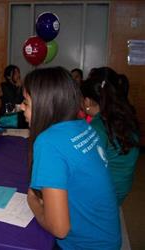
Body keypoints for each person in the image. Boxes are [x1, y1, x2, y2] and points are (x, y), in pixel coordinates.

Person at [21, 67, 121, 249]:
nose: (21, 107)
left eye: (26, 103)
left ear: (45, 104)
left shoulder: (48, 142)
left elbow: (60, 229)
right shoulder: (82, 126)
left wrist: (33, 202)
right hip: (107, 238)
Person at [81, 67, 139, 205]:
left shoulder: (98, 127)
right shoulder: (124, 116)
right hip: (121, 188)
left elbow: (85, 169)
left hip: (106, 195)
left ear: (88, 101)